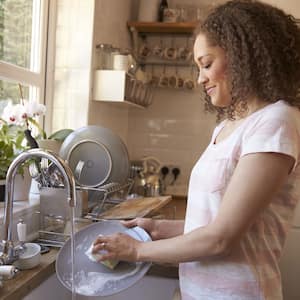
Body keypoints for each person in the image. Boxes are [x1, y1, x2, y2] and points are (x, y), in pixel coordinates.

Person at [92, 1, 300, 299]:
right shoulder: (229, 126)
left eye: (207, 63)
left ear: (242, 57)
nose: (200, 78)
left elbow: (221, 238)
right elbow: (211, 223)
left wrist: (138, 250)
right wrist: (158, 229)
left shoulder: (275, 122)